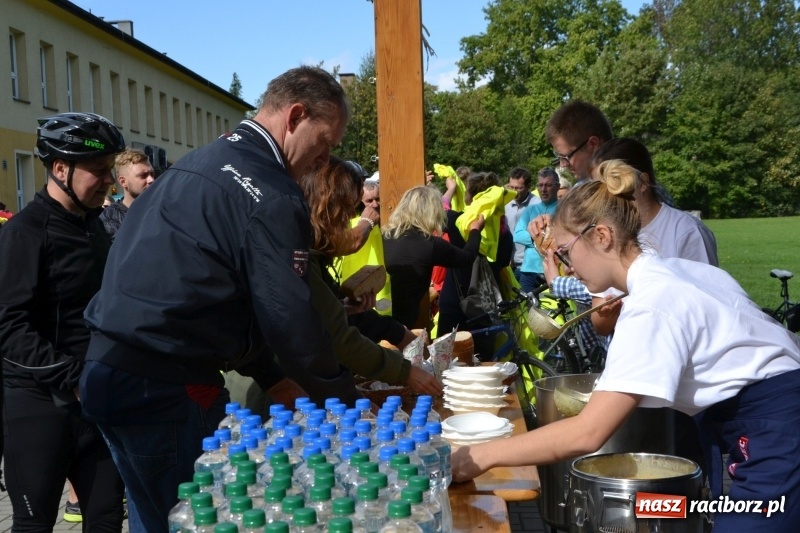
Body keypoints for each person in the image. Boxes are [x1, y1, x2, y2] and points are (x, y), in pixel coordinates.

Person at [79, 66, 361, 531]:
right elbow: (287, 314)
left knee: (157, 518)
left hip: (108, 370)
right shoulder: (272, 192)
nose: (323, 158)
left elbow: (209, 286)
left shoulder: (197, 163)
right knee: (197, 519)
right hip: (163, 384)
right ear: (295, 117)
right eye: (325, 142)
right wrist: (341, 398)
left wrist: (271, 373)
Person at [452, 159, 800, 531]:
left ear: (601, 236)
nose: (566, 268)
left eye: (566, 252)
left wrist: (478, 456)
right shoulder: (675, 273)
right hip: (765, 419)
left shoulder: (652, 306)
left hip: (779, 431)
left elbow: (588, 432)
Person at [0, 112, 126, 531]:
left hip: (96, 399)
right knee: (34, 524)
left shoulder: (96, 229)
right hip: (38, 405)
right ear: (60, 168)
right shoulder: (24, 233)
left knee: (106, 518)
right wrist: (72, 375)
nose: (109, 180)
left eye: (111, 169)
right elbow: (8, 328)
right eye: (98, 171)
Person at [300, 157, 443, 396]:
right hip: (290, 393)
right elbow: (339, 339)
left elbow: (325, 315)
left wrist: (342, 307)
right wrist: (405, 371)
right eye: (347, 210)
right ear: (327, 208)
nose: (349, 219)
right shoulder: (301, 257)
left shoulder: (311, 254)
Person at [383, 186, 485, 329]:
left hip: (379, 311)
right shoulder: (431, 244)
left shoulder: (384, 235)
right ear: (433, 212)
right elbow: (467, 258)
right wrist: (475, 231)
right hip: (402, 322)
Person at [437, 171, 514, 356]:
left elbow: (441, 208)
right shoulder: (503, 235)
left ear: (469, 197)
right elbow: (504, 263)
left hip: (453, 303)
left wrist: (451, 189)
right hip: (484, 306)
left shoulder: (456, 222)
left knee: (446, 365)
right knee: (482, 363)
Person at [513, 168, 560, 292]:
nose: (543, 190)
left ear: (557, 186)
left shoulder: (564, 209)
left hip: (554, 269)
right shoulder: (530, 210)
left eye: (548, 185)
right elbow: (517, 235)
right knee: (529, 310)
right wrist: (543, 239)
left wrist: (534, 234)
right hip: (528, 270)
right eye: (540, 185)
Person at [546, 99, 613, 185]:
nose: (563, 164)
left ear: (593, 144)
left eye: (566, 157)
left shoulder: (626, 188)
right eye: (560, 157)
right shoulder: (581, 187)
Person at [99, 148, 155, 240]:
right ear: (123, 182)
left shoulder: (162, 211)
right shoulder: (109, 219)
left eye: (152, 174)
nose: (151, 180)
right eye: (143, 176)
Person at [504, 167, 535, 278]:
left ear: (528, 187)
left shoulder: (537, 205)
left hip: (527, 267)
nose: (514, 192)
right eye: (511, 187)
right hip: (506, 265)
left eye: (518, 188)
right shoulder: (504, 203)